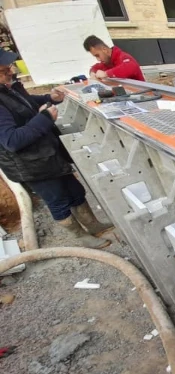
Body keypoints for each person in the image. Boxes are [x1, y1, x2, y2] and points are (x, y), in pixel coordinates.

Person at [0, 49, 112, 248]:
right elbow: (12, 140)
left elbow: (26, 105)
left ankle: (93, 225)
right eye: (3, 69)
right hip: (30, 165)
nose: (9, 70)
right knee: (58, 200)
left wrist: (49, 98)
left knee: (75, 191)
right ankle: (81, 237)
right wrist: (44, 118)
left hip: (46, 154)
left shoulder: (8, 88)